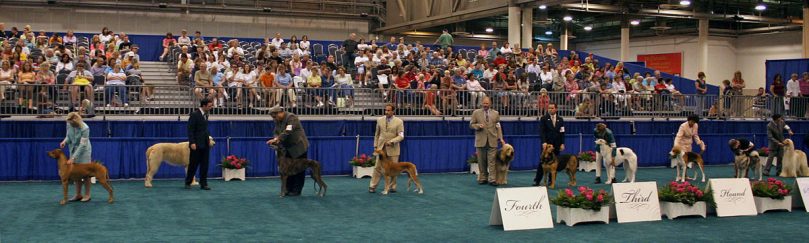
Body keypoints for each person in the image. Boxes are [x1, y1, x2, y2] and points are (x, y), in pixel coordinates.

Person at [266, 106, 309, 196]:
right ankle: (288, 189)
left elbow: (288, 131)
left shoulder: (291, 117)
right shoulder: (277, 120)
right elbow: (276, 131)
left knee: (299, 169)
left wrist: (278, 138)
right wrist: (275, 138)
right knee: (287, 169)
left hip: (298, 147)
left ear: (280, 112)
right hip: (287, 148)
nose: (274, 119)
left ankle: (297, 190)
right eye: (273, 117)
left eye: (275, 116)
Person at [469, 97, 505, 186]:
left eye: (487, 104)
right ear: (482, 103)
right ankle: (483, 177)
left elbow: (498, 126)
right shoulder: (476, 113)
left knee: (492, 161)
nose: (485, 105)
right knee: (481, 161)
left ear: (490, 104)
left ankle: (492, 179)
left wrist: (501, 138)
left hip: (492, 140)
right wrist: (477, 126)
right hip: (481, 140)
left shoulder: (496, 113)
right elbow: (471, 125)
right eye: (484, 103)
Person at [369, 104, 404, 193]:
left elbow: (401, 136)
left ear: (393, 111)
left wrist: (392, 141)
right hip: (381, 149)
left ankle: (392, 187)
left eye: (388, 110)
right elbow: (377, 134)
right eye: (386, 110)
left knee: (393, 169)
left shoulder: (399, 122)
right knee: (377, 167)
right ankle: (372, 186)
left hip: (393, 149)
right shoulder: (379, 120)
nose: (386, 112)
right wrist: (375, 146)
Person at [60, 112, 93, 202]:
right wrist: (64, 142)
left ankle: (87, 195)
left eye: (72, 123)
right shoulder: (69, 123)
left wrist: (73, 158)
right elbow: (68, 136)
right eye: (69, 123)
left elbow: (82, 145)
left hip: (84, 152)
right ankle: (78, 194)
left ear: (76, 122)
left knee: (86, 174)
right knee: (76, 174)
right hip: (73, 149)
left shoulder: (85, 128)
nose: (70, 124)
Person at [534, 103, 565, 186]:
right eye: (549, 108)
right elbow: (542, 131)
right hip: (546, 145)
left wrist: (562, 143)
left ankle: (551, 181)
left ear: (556, 109)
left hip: (556, 145)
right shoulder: (544, 118)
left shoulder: (560, 119)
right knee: (542, 163)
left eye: (552, 108)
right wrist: (544, 142)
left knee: (554, 164)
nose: (550, 109)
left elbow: (562, 132)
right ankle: (537, 180)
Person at [186, 98, 213, 190]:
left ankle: (203, 183)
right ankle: (188, 182)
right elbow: (190, 130)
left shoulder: (206, 114)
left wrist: (209, 138)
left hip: (205, 144)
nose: (211, 107)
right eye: (209, 106)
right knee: (193, 164)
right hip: (196, 144)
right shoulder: (194, 114)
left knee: (205, 164)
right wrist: (192, 142)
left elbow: (205, 129)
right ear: (204, 106)